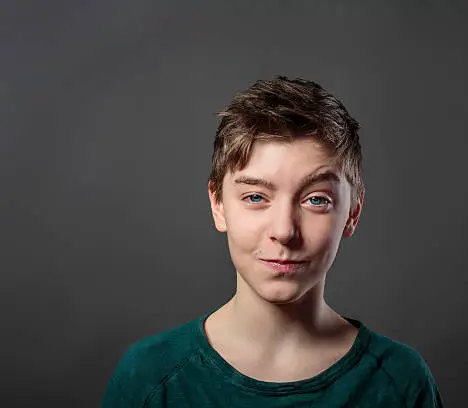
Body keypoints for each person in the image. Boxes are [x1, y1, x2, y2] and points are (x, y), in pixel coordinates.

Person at [102, 76, 444, 407]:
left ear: (352, 213)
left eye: (316, 200)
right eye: (255, 197)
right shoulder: (149, 378)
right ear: (218, 205)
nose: (284, 231)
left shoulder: (400, 383)